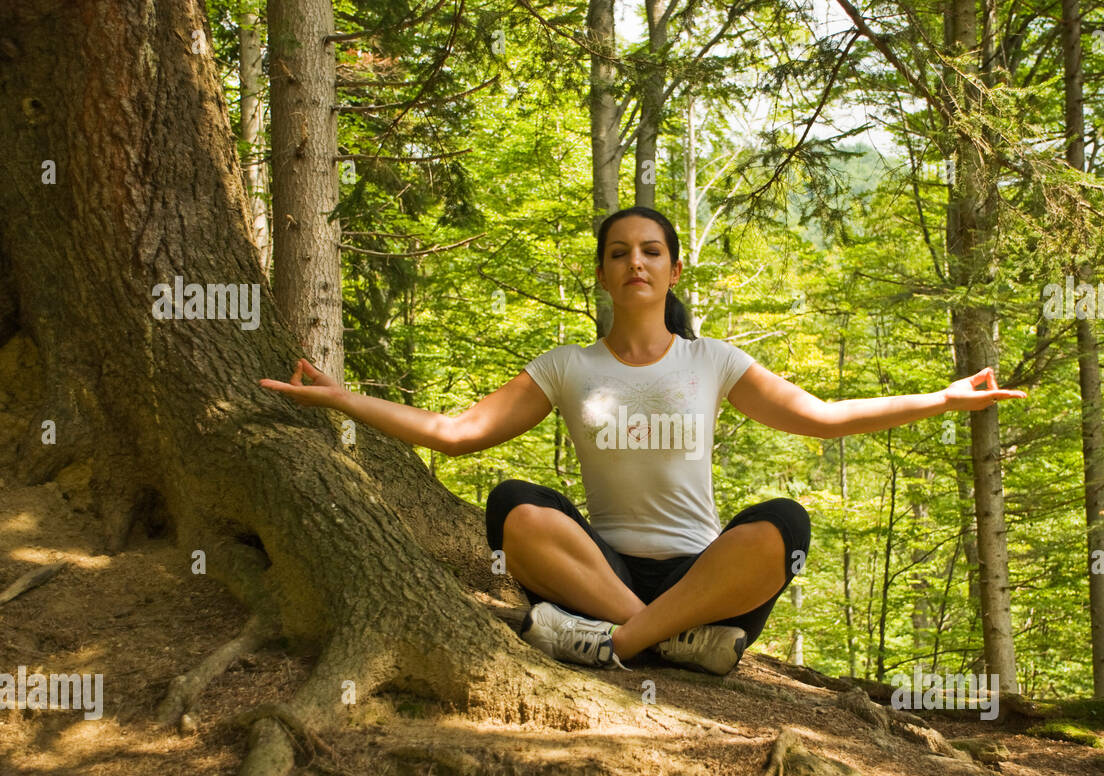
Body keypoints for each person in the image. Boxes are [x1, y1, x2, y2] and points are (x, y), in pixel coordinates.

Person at [259, 205, 1027, 675]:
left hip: (708, 585)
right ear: (602, 273)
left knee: (783, 526)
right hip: (601, 573)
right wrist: (340, 398)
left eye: (650, 251)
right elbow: (456, 435)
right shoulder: (566, 366)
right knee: (514, 507)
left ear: (674, 269)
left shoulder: (713, 360)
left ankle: (620, 644)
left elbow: (820, 417)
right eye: (620, 252)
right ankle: (660, 640)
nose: (636, 262)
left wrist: (942, 398)